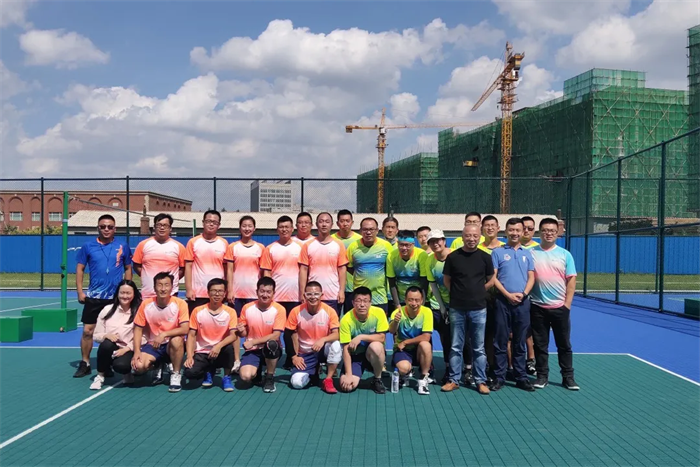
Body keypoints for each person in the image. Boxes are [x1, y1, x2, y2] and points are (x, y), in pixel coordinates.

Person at [74, 214, 132, 378]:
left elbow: (128, 268)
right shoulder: (88, 246)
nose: (106, 229)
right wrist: (80, 291)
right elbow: (80, 269)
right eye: (103, 226)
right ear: (98, 228)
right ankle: (85, 363)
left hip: (115, 298)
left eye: (110, 227)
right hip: (94, 297)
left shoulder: (122, 246)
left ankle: (107, 364)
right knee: (88, 331)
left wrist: (127, 290)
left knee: (115, 332)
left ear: (115, 229)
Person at [441, 225, 494, 395]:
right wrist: (458, 294)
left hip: (479, 308)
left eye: (475, 236)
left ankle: (480, 381)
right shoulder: (453, 257)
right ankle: (454, 380)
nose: (472, 239)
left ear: (480, 237)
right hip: (457, 308)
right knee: (456, 346)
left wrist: (479, 292)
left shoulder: (485, 257)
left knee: (478, 347)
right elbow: (447, 280)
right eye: (468, 236)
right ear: (462, 237)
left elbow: (491, 279)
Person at [530, 218, 579, 391]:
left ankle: (568, 377)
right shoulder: (531, 253)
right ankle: (542, 376)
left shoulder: (565, 255)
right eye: (545, 230)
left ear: (557, 233)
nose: (548, 233)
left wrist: (567, 305)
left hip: (560, 308)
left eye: (552, 230)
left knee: (564, 344)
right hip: (537, 307)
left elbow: (571, 280)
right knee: (540, 345)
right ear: (540, 232)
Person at [491, 218, 535, 392]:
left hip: (522, 303)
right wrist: (508, 295)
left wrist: (523, 294)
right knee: (500, 340)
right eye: (511, 230)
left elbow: (531, 277)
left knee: (519, 341)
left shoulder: (528, 253)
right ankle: (499, 377)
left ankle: (521, 377)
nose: (514, 233)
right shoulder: (497, 252)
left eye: (518, 230)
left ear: (523, 232)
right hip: (502, 302)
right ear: (506, 231)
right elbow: (493, 277)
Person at [131, 272, 189, 392]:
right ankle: (157, 364)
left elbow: (185, 329)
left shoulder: (180, 303)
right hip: (153, 345)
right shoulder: (146, 304)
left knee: (177, 340)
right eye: (160, 285)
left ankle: (176, 374)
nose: (163, 289)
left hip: (170, 345)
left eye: (166, 285)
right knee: (139, 367)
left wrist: (164, 334)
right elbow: (137, 329)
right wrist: (136, 352)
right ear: (154, 287)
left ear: (172, 287)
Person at [260, 215, 302, 368]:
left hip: (295, 296)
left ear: (292, 229)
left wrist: (303, 293)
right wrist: (268, 295)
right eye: (281, 227)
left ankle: (293, 358)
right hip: (276, 298)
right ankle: (271, 356)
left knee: (293, 330)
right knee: (272, 329)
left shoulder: (300, 248)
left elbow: (305, 271)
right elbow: (267, 273)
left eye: (287, 227)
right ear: (277, 229)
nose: (284, 229)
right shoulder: (270, 249)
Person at [184, 278, 238, 392]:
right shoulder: (197, 311)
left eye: (220, 291)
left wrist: (218, 346)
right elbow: (191, 335)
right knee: (189, 373)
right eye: (214, 291)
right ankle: (208, 371)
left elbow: (233, 335)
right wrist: (189, 356)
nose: (217, 294)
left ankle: (226, 377)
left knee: (229, 348)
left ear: (224, 294)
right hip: (202, 351)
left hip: (221, 350)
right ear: (208, 293)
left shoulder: (230, 312)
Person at [287, 281, 341, 394]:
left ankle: (328, 379)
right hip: (305, 353)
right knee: (296, 383)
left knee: (336, 345)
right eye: (309, 294)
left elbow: (337, 334)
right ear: (304, 295)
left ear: (322, 295)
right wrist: (294, 357)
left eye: (316, 294)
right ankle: (313, 373)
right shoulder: (296, 311)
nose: (313, 297)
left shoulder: (330, 311)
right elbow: (287, 335)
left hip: (322, 350)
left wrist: (323, 340)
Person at [225, 215, 264, 372]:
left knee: (254, 328)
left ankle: (255, 357)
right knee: (236, 328)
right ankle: (236, 360)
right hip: (236, 295)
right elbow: (229, 270)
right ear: (240, 228)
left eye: (250, 226)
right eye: (244, 226)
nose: (247, 228)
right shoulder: (232, 247)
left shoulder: (260, 248)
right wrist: (230, 290)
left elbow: (263, 272)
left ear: (254, 228)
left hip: (254, 295)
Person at [89, 280, 143, 390]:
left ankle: (127, 372)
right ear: (117, 293)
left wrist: (127, 348)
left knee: (121, 366)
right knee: (106, 345)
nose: (125, 296)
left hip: (128, 349)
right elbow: (96, 335)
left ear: (134, 294)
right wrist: (106, 335)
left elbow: (144, 337)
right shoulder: (107, 310)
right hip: (111, 347)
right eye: (122, 293)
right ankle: (100, 376)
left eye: (128, 293)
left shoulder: (139, 311)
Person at [237, 277, 286, 393]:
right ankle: (257, 372)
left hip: (270, 349)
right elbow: (244, 334)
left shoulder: (279, 309)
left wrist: (253, 342)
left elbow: (276, 335)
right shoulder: (247, 308)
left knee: (272, 344)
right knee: (246, 377)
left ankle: (269, 377)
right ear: (257, 292)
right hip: (253, 350)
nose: (265, 295)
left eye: (268, 292)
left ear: (273, 293)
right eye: (262, 291)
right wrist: (241, 330)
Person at [339, 287, 389, 394]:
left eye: (365, 301)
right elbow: (346, 349)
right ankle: (355, 372)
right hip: (356, 356)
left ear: (370, 303)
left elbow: (382, 337)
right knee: (347, 386)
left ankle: (377, 379)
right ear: (353, 303)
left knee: (376, 346)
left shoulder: (379, 313)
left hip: (372, 353)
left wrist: (361, 337)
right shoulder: (346, 320)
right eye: (358, 301)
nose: (362, 305)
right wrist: (348, 374)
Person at [299, 212, 347, 313]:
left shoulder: (339, 245)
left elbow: (342, 269)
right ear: (316, 224)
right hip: (313, 295)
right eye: (321, 222)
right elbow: (303, 269)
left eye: (327, 222)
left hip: (333, 295)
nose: (324, 224)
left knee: (333, 322)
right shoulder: (308, 245)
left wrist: (341, 291)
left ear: (332, 225)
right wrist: (303, 292)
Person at [388, 287, 433, 395]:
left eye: (417, 300)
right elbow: (391, 331)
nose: (414, 303)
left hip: (418, 350)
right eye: (410, 300)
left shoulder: (427, 312)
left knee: (426, 345)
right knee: (403, 368)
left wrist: (405, 342)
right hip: (403, 350)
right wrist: (396, 322)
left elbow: (426, 337)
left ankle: (423, 379)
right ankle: (406, 372)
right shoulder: (397, 312)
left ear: (422, 300)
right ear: (405, 300)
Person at [132, 214, 186, 299]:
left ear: (170, 228)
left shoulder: (179, 247)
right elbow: (136, 265)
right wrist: (147, 276)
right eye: (159, 225)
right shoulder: (143, 245)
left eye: (165, 225)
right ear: (154, 227)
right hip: (148, 294)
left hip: (171, 294)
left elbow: (183, 269)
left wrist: (171, 279)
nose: (162, 228)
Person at [184, 210, 228, 313]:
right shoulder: (193, 242)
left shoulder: (224, 243)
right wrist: (189, 289)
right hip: (198, 293)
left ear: (219, 225)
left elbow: (227, 269)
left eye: (215, 222)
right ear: (203, 223)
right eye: (208, 221)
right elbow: (188, 267)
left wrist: (226, 290)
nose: (211, 224)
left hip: (217, 293)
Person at [346, 218, 393, 314]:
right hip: (360, 298)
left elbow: (391, 269)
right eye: (365, 229)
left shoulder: (386, 246)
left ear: (377, 230)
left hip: (380, 297)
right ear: (360, 231)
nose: (368, 232)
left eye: (371, 229)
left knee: (381, 322)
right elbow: (349, 267)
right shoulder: (353, 247)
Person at [425, 229, 453, 384]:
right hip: (439, 305)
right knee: (443, 337)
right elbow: (433, 285)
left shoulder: (456, 256)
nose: (436, 244)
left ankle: (466, 369)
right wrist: (442, 307)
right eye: (432, 242)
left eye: (438, 240)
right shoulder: (430, 260)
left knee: (461, 339)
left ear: (444, 241)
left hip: (459, 304)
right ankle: (444, 368)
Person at [387, 230, 428, 309]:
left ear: (413, 244)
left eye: (407, 245)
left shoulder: (422, 255)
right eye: (401, 245)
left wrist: (422, 303)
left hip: (418, 299)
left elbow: (424, 282)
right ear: (397, 244)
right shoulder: (391, 256)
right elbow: (392, 282)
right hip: (401, 299)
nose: (404, 248)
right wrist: (397, 304)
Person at [332, 209, 362, 314]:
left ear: (352, 223)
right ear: (337, 223)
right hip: (335, 287)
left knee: (352, 317)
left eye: (347, 221)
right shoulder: (331, 240)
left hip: (353, 287)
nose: (345, 224)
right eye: (342, 221)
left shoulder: (360, 240)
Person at [520, 215, 539, 375]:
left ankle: (531, 359)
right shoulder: (509, 246)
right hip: (515, 296)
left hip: (535, 297)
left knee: (532, 330)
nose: (526, 231)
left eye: (530, 228)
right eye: (524, 228)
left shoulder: (538, 249)